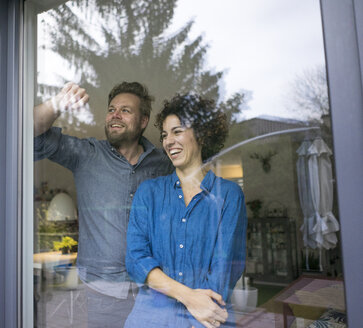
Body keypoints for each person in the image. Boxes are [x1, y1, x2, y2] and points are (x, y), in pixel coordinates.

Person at [34, 81, 173, 327]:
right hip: (103, 293)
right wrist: (58, 103)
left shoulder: (164, 163)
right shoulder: (86, 154)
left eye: (125, 110)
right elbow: (28, 131)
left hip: (155, 290)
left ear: (143, 121)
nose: (115, 115)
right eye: (111, 109)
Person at [125, 94, 247, 328]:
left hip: (206, 321)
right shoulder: (149, 192)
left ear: (201, 134)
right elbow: (135, 260)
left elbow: (224, 271)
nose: (168, 141)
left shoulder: (228, 196)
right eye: (164, 135)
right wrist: (189, 297)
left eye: (177, 131)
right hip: (149, 320)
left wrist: (197, 319)